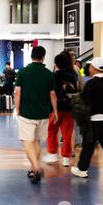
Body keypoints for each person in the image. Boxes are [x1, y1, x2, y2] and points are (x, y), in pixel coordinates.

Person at [14, 46, 58, 184]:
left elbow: (17, 92)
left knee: (27, 142)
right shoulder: (48, 74)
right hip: (43, 113)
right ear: (43, 57)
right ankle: (33, 169)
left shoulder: (23, 72)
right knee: (37, 141)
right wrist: (55, 111)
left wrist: (17, 108)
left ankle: (36, 167)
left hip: (26, 113)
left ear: (31, 56)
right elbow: (52, 94)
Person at [71, 57, 103, 183]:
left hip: (93, 121)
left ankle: (82, 169)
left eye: (91, 66)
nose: (89, 68)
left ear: (94, 68)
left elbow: (84, 101)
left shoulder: (90, 84)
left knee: (88, 145)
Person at [44, 53, 78, 167]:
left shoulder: (53, 75)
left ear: (56, 64)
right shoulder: (73, 74)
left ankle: (52, 153)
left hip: (56, 108)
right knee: (67, 134)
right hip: (69, 108)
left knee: (52, 131)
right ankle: (66, 158)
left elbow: (51, 93)